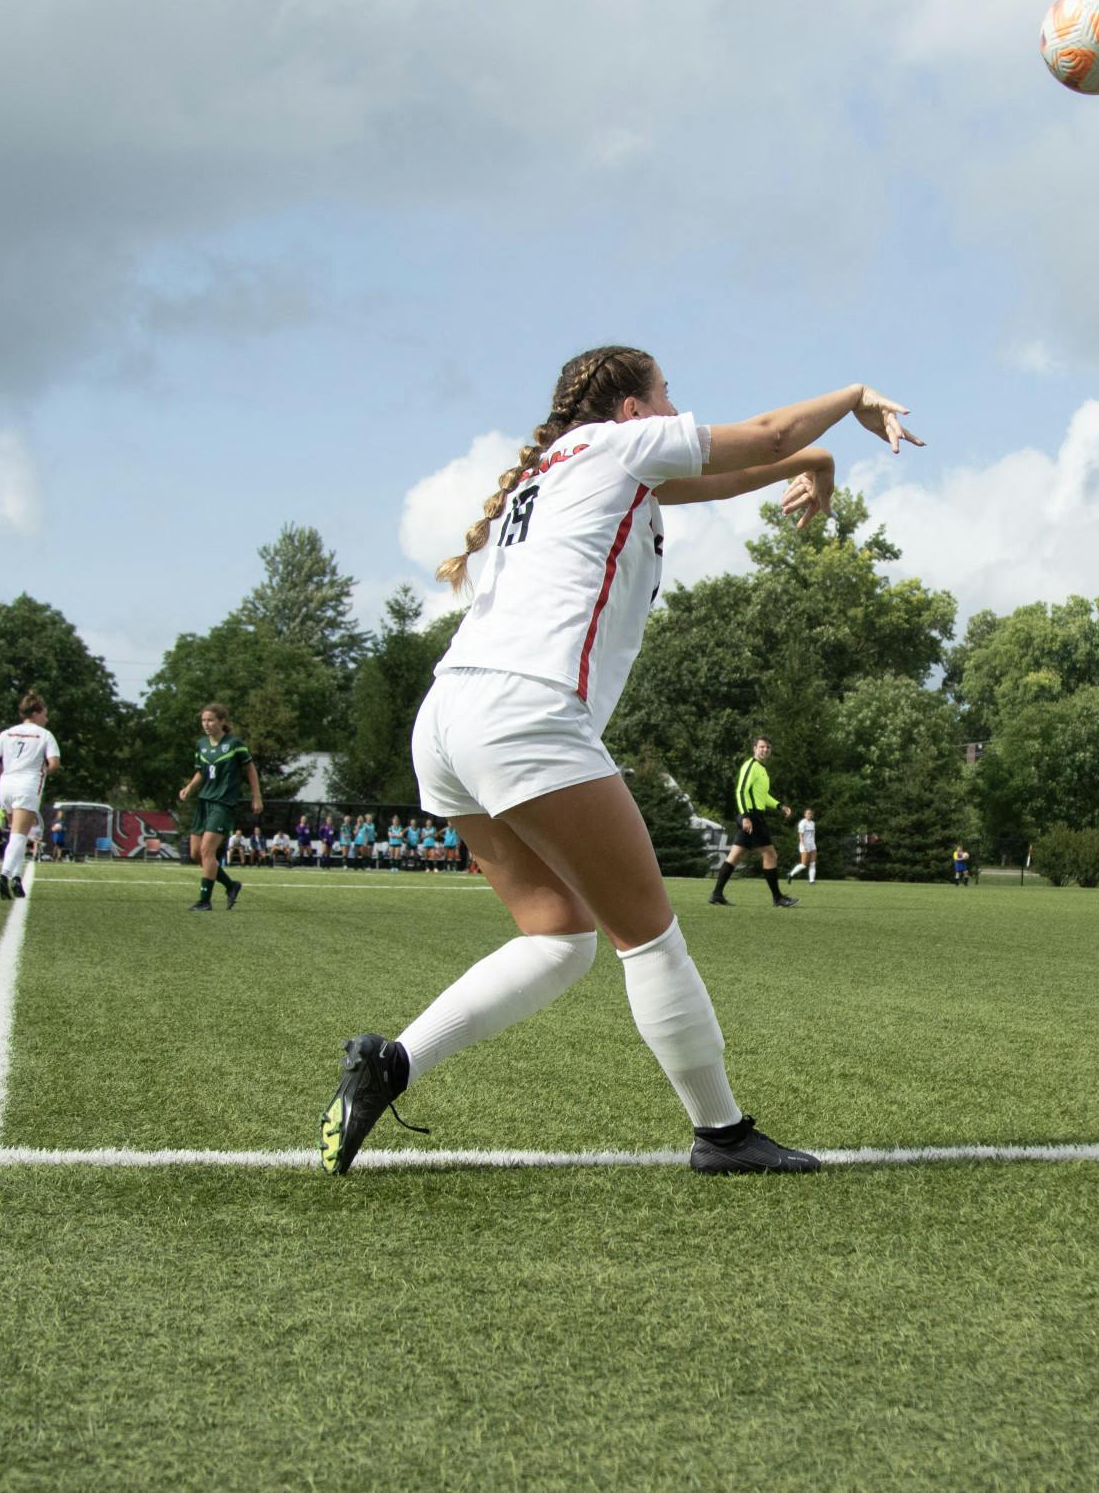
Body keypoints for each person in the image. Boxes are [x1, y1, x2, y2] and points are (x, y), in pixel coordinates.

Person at [319, 346, 920, 1177]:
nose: (681, 408)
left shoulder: (564, 466)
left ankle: (391, 1066)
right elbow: (768, 432)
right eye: (668, 395)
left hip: (448, 718)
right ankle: (722, 1135)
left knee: (560, 938)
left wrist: (816, 460)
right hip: (524, 712)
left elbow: (736, 469)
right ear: (633, 411)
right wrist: (852, 396)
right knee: (650, 938)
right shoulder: (619, 447)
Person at [177, 702, 263, 913]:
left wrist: (257, 797)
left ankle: (204, 901)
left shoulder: (234, 744)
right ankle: (231, 885)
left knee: (208, 850)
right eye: (203, 720)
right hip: (204, 802)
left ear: (222, 722)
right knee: (196, 853)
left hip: (223, 803)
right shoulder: (201, 745)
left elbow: (250, 769)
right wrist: (189, 787)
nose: (206, 724)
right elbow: (201, 772)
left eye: (210, 720)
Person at [0, 692, 61, 899]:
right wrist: (42, 772)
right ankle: (4, 875)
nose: (46, 719)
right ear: (36, 713)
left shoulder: (7, 733)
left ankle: (17, 879)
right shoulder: (45, 735)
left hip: (6, 785)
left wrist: (6, 772)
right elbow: (54, 764)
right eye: (45, 714)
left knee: (16, 834)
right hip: (27, 785)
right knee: (19, 835)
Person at [708, 736, 798, 909]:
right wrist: (746, 817)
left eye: (768, 747)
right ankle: (778, 898)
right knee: (770, 855)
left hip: (753, 816)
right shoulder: (751, 766)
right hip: (752, 817)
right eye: (762, 747)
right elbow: (740, 791)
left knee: (735, 856)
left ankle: (716, 894)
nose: (765, 750)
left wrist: (780, 806)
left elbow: (763, 796)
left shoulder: (762, 770)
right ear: (754, 748)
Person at [787, 808, 819, 884]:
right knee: (804, 865)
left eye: (810, 813)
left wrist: (813, 844)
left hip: (812, 845)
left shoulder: (812, 823)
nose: (809, 815)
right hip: (804, 845)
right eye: (808, 813)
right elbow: (800, 835)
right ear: (805, 814)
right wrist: (803, 845)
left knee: (813, 863)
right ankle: (790, 874)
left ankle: (811, 881)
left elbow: (812, 835)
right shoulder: (802, 823)